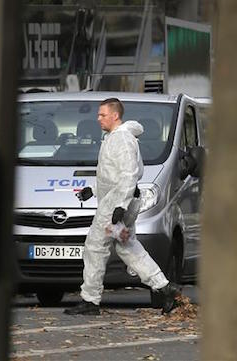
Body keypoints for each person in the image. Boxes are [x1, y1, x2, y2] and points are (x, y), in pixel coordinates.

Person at [64, 98, 180, 315]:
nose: (98, 119)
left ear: (115, 115)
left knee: (95, 248)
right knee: (127, 246)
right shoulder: (114, 138)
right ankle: (165, 288)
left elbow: (128, 175)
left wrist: (120, 205)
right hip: (118, 202)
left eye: (102, 115)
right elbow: (113, 175)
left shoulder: (122, 139)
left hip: (114, 206)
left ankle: (90, 301)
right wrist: (94, 190)